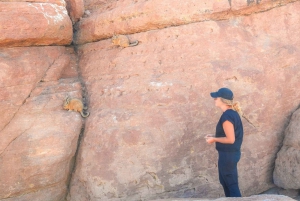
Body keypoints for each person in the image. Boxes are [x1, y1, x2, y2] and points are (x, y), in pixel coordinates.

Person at [205, 87, 243, 197]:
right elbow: (229, 135)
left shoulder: (227, 117)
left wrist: (214, 139)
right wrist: (214, 136)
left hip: (228, 156)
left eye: (216, 98)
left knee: (231, 185)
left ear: (222, 100)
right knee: (226, 182)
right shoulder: (232, 114)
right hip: (229, 155)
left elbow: (231, 139)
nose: (214, 100)